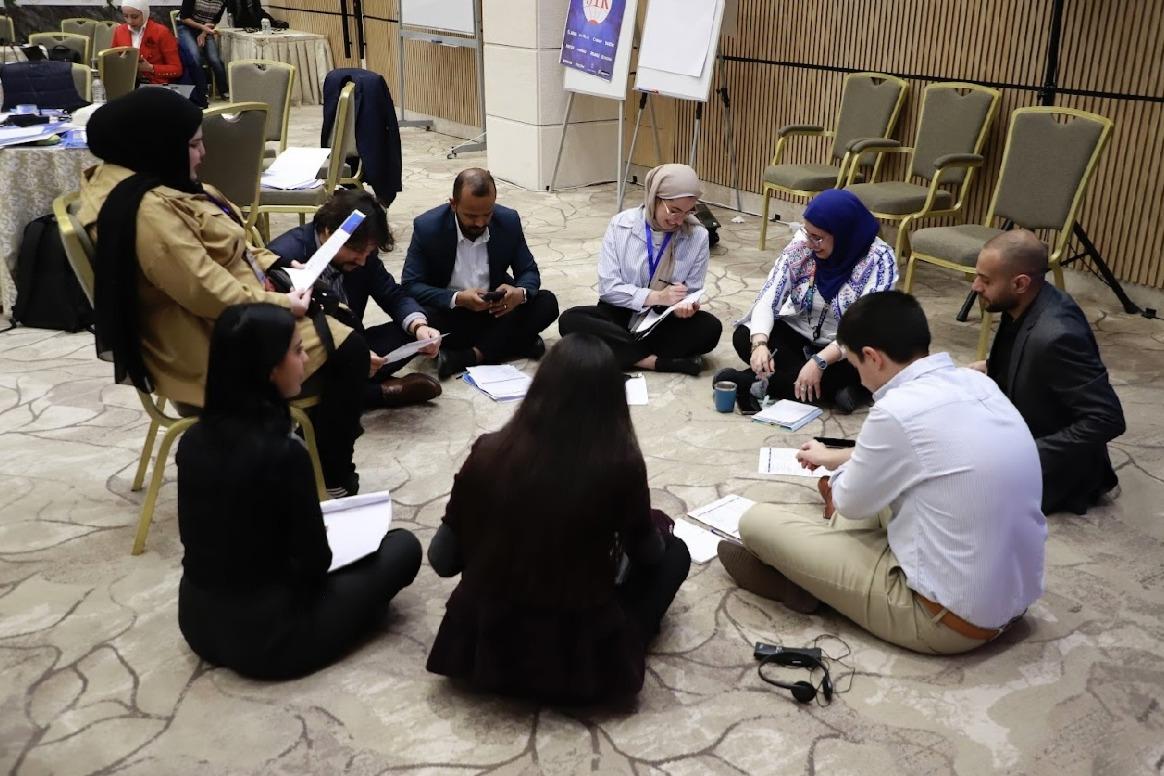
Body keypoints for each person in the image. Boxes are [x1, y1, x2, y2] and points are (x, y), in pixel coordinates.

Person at [77, 88, 373, 497]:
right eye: (195, 145)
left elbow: (230, 240)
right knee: (350, 349)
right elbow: (206, 292)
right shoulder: (147, 211)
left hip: (219, 317)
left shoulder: (149, 182)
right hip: (204, 340)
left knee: (335, 312)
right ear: (157, 146)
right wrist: (282, 303)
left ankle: (316, 452)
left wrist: (279, 266)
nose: (203, 155)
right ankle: (331, 474)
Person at [718, 291, 1046, 655]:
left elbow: (850, 502)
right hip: (1013, 598)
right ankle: (821, 577)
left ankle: (809, 584)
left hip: (946, 621)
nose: (858, 377)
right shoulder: (979, 384)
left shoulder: (896, 411)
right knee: (880, 494)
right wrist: (841, 457)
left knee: (756, 521)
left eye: (856, 366)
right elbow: (917, 454)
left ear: (872, 357)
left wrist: (844, 470)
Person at [426, 334, 691, 703]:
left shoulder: (487, 452)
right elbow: (649, 555)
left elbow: (441, 560)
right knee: (676, 554)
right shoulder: (622, 466)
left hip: (486, 643)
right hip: (576, 653)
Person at [176, 303, 422, 679]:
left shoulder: (192, 441)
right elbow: (315, 564)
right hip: (272, 638)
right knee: (402, 548)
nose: (307, 357)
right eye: (297, 350)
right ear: (270, 370)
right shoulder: (285, 452)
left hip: (197, 620)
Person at [970, 230, 1126, 514]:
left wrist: (1027, 455)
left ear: (1020, 283)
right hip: (1018, 429)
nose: (975, 286)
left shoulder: (1057, 335)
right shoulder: (1022, 303)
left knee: (952, 492)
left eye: (986, 280)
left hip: (1055, 468)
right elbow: (1028, 359)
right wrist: (987, 368)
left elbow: (1107, 419)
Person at [715, 189, 897, 413]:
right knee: (745, 335)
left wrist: (820, 362)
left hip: (848, 349)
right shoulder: (802, 244)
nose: (810, 243)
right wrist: (760, 344)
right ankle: (832, 390)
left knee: (867, 363)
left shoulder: (879, 260)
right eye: (807, 233)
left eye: (818, 238)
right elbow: (769, 295)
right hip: (802, 337)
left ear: (842, 234)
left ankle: (757, 383)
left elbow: (863, 330)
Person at [268, 190, 442, 410]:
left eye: (368, 252)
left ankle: (358, 386)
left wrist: (419, 326)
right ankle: (379, 393)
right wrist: (349, 354)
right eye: (356, 251)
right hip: (311, 353)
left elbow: (391, 294)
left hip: (355, 342)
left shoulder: (364, 256)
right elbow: (282, 336)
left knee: (418, 324)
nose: (362, 260)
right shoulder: (285, 256)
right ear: (330, 234)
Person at [557, 164, 722, 375]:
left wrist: (686, 307)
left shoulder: (697, 235)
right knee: (570, 320)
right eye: (674, 211)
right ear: (654, 198)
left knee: (710, 329)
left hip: (660, 321)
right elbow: (609, 288)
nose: (679, 220)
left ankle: (617, 350)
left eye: (688, 211)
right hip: (618, 313)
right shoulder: (621, 225)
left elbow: (692, 292)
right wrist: (657, 296)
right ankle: (653, 362)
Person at [401, 168, 560, 379]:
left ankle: (470, 356)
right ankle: (516, 343)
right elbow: (411, 285)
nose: (480, 223)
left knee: (546, 303)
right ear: (453, 204)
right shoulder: (428, 227)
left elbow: (528, 271)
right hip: (451, 313)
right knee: (419, 320)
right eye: (471, 216)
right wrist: (457, 299)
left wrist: (517, 294)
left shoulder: (508, 221)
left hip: (496, 311)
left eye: (487, 214)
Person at [111, 0, 183, 86]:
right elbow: (112, 59)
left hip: (153, 84)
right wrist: (120, 62)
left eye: (134, 17)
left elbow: (177, 69)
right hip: (125, 83)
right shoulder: (119, 30)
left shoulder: (161, 32)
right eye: (125, 16)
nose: (129, 21)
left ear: (144, 14)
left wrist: (151, 68)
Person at [176, 0, 228, 97]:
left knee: (215, 59)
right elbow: (184, 18)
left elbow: (214, 21)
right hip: (186, 26)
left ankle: (224, 90)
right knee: (195, 56)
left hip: (205, 29)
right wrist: (202, 27)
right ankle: (202, 90)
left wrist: (203, 34)